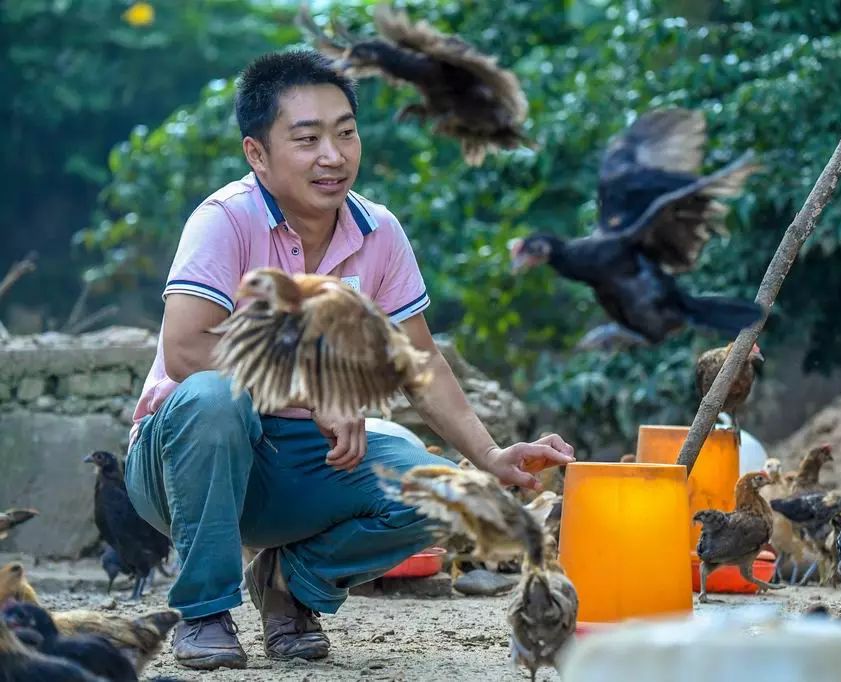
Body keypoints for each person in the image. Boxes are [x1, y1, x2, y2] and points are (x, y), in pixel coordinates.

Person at [123, 49, 575, 671]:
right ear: (257, 153)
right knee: (214, 396)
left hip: (299, 464)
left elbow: (421, 361)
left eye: (345, 132)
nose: (332, 155)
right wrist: (314, 393)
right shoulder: (224, 220)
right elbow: (185, 350)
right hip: (178, 462)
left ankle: (289, 589)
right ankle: (204, 612)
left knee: (437, 491)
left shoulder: (378, 232)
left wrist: (492, 456)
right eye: (307, 139)